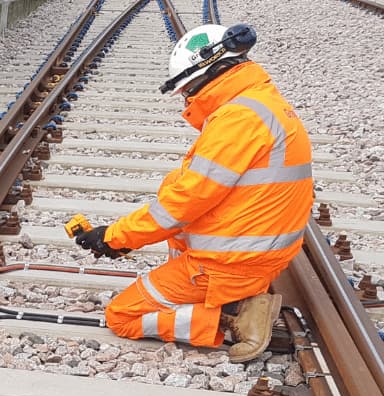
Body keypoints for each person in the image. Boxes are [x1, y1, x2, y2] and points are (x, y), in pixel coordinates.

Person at [74, 24, 313, 362]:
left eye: (187, 87)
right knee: (175, 185)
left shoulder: (237, 119)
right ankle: (220, 296)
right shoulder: (262, 103)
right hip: (256, 252)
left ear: (210, 71)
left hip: (231, 264)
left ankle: (231, 313)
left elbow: (183, 203)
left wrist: (115, 238)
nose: (186, 97)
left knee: (122, 316)